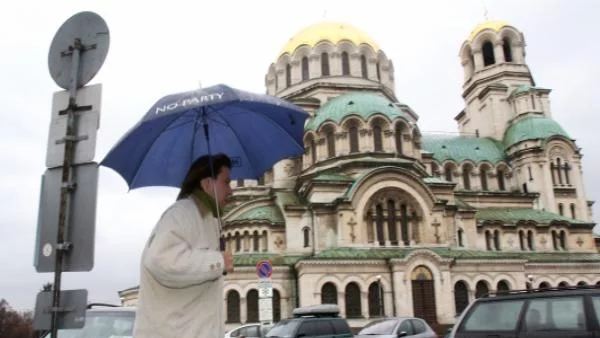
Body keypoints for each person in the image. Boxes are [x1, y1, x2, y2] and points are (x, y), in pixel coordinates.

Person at [133, 153, 235, 338]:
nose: (231, 191)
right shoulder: (182, 214)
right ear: (207, 184)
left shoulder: (207, 219)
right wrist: (218, 261)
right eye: (226, 182)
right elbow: (160, 260)